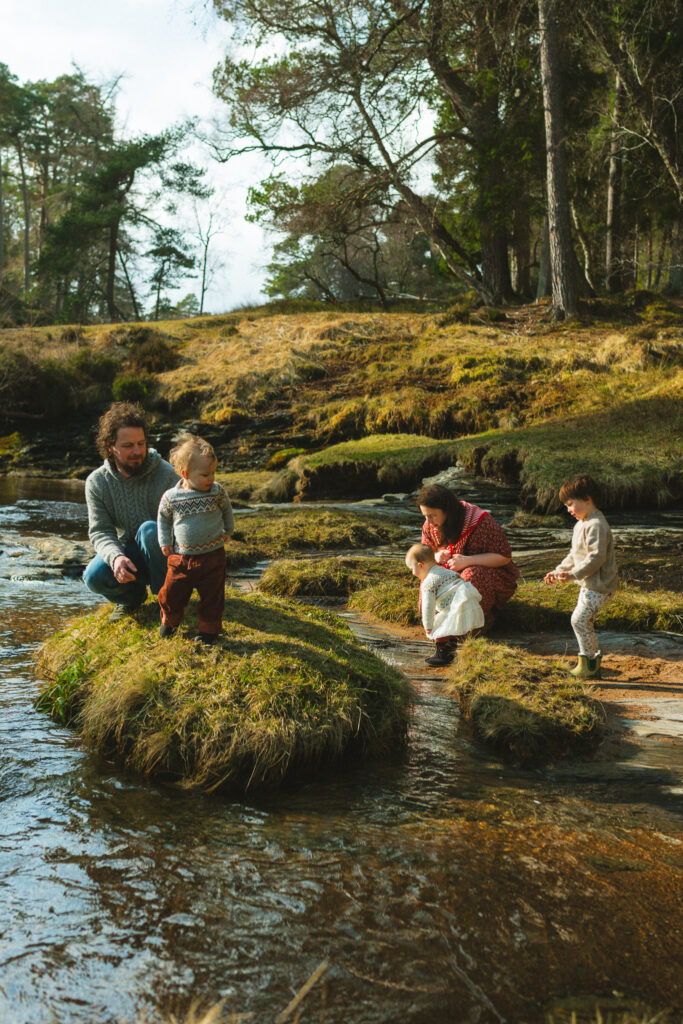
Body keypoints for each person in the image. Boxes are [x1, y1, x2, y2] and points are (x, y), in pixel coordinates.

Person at [83, 403, 178, 621]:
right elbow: (100, 531)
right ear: (110, 446)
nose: (137, 451)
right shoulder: (97, 483)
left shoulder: (167, 475)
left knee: (149, 530)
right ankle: (130, 600)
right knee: (93, 576)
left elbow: (186, 523)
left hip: (168, 554)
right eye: (128, 446)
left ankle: (171, 598)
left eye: (141, 443)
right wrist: (116, 557)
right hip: (131, 554)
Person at [418, 483, 519, 661]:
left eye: (432, 515)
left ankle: (477, 624)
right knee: (429, 586)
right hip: (450, 574)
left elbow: (503, 557)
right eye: (425, 516)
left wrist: (467, 561)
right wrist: (436, 556)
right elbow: (425, 556)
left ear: (447, 510)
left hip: (490, 573)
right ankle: (446, 635)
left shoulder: (480, 521)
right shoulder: (429, 526)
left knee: (470, 579)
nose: (429, 521)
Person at [157, 434, 234, 644]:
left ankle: (208, 631)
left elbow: (227, 509)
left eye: (213, 473)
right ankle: (170, 622)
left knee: (212, 596)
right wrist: (165, 541)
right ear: (185, 473)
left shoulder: (217, 492)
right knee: (171, 592)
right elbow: (163, 519)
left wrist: (229, 528)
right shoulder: (171, 497)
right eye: (205, 474)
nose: (211, 478)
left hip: (213, 556)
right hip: (181, 557)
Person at [544, 474, 618, 679]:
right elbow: (574, 555)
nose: (568, 509)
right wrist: (559, 571)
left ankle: (590, 664)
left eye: (570, 504)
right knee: (581, 620)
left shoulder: (596, 524)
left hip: (601, 585)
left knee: (579, 620)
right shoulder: (581, 524)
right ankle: (590, 661)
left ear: (587, 498)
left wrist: (573, 575)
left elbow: (596, 558)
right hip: (588, 584)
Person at [406, 543, 485, 666]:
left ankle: (442, 655)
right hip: (465, 597)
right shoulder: (444, 571)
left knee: (440, 626)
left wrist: (428, 626)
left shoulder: (428, 582)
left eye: (412, 569)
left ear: (420, 565)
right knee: (451, 625)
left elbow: (428, 606)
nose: (412, 573)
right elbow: (458, 578)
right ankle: (451, 652)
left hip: (455, 603)